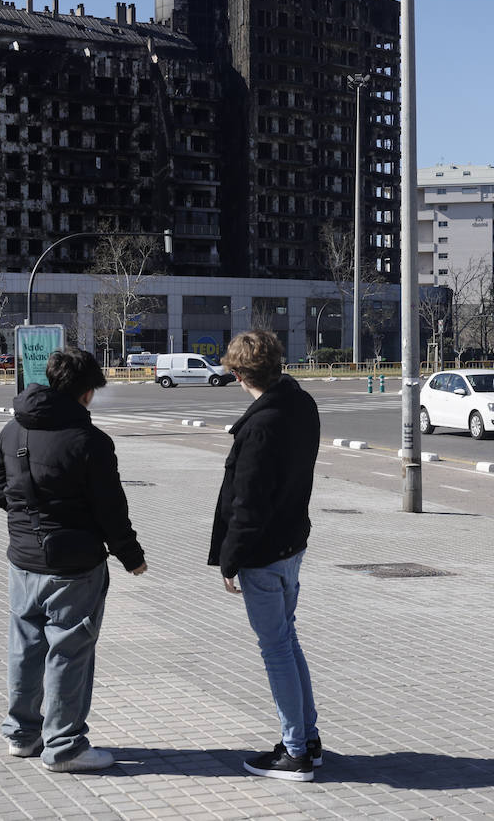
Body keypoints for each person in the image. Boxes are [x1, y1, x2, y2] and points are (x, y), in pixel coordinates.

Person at [0, 348, 148, 773]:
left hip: (22, 559)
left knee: (25, 648)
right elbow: (110, 509)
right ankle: (64, 748)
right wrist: (131, 556)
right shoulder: (90, 442)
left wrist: (29, 521)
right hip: (74, 565)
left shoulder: (12, 430)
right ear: (85, 392)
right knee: (68, 651)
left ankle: (23, 736)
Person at [209, 330, 322, 782]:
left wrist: (230, 559)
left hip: (264, 550)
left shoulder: (260, 426)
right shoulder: (301, 404)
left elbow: (247, 503)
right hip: (292, 541)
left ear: (238, 375)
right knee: (287, 641)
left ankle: (295, 751)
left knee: (275, 648)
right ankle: (306, 740)